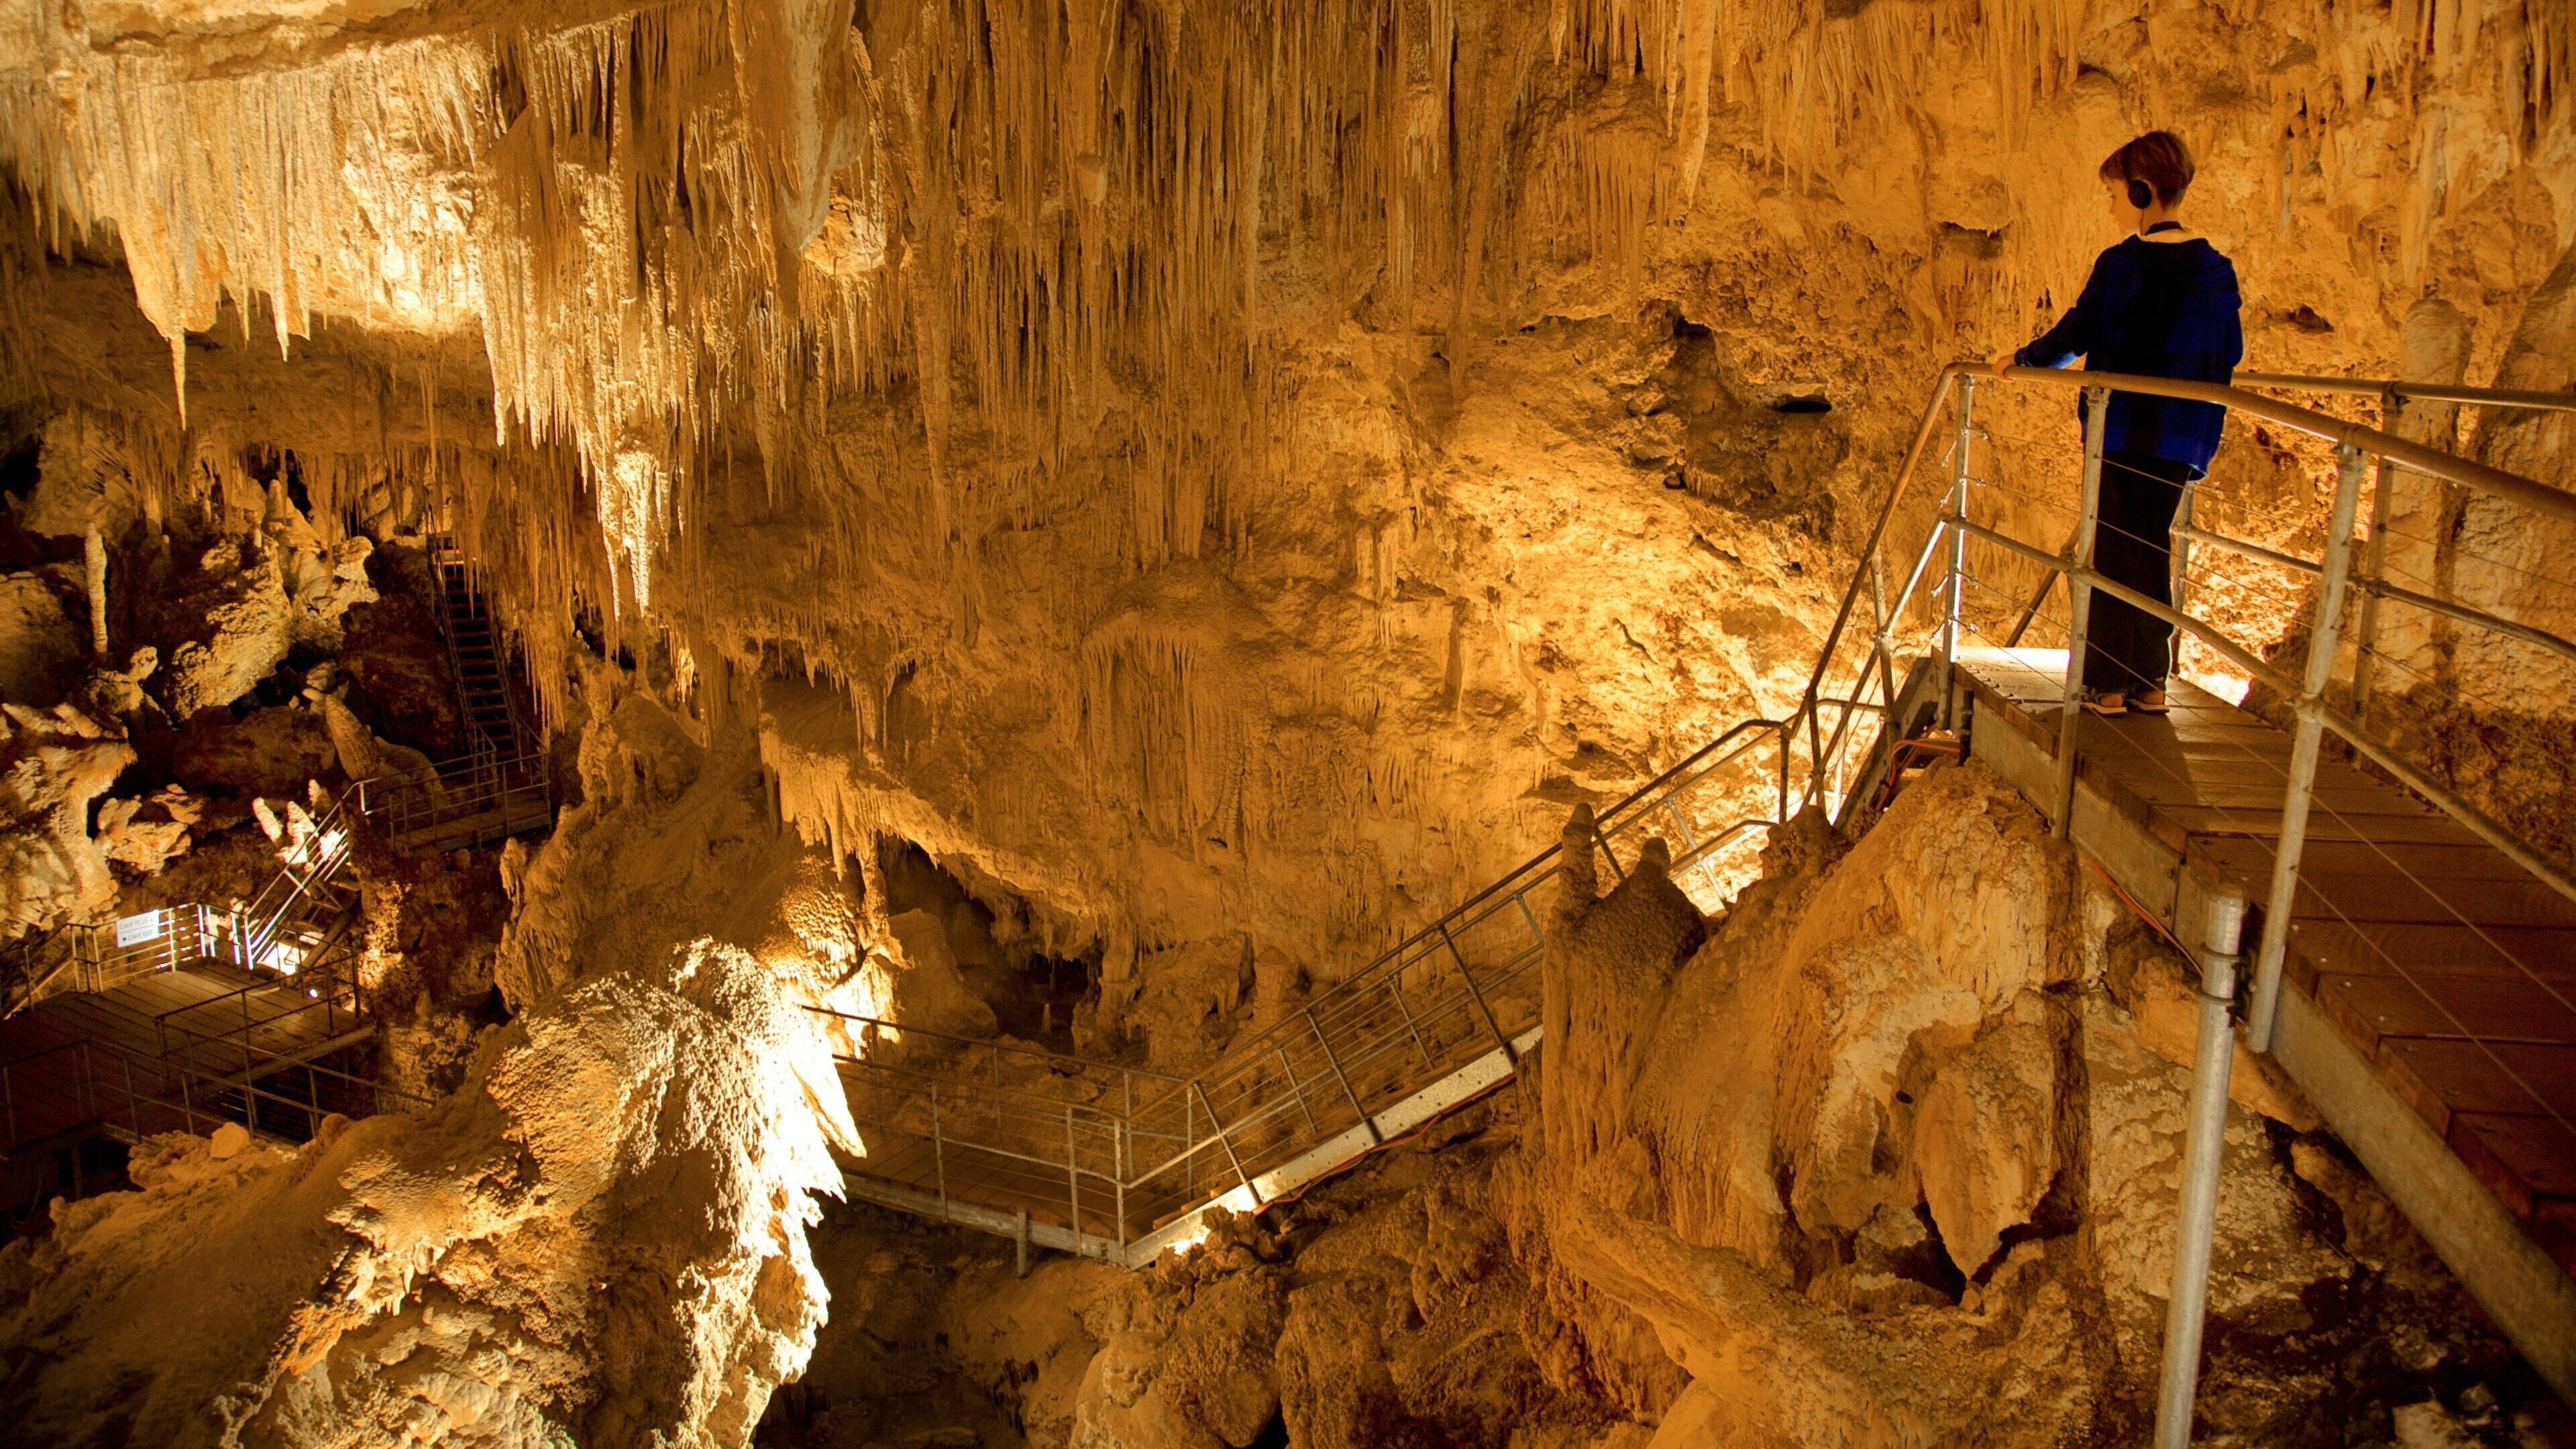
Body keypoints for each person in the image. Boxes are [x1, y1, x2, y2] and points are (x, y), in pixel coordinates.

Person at [1998, 130, 2244, 716]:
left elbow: (2078, 334)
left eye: (2114, 194)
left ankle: (2105, 684)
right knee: (2151, 547)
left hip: (2124, 428)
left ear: (2141, 191)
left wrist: (2024, 363)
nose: (2111, 207)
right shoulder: (2217, 271)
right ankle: (2150, 681)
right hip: (2183, 434)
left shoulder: (2124, 264)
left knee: (2113, 549)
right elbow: (2227, 351)